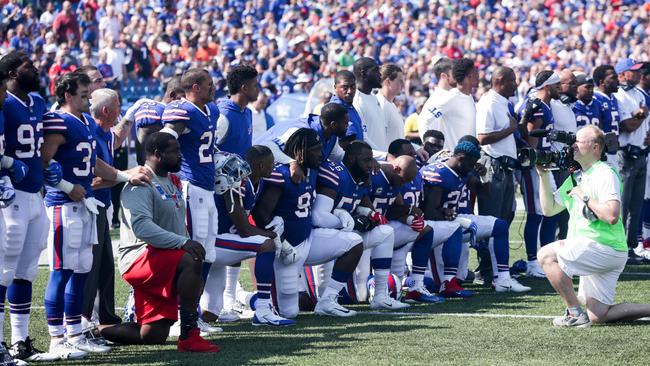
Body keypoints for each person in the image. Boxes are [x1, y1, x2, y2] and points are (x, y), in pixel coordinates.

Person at [41, 72, 148, 358]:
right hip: (63, 204)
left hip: (86, 204)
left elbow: (95, 163)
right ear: (67, 95)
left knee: (81, 272)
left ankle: (75, 334)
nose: (89, 97)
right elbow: (43, 162)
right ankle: (56, 338)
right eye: (84, 93)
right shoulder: (56, 120)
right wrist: (66, 186)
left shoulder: (86, 121)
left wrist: (124, 176)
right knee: (62, 272)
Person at [98, 132, 219, 352]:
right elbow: (142, 228)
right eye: (175, 152)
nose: (180, 156)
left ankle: (96, 331)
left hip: (162, 256)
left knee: (153, 335)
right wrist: (183, 242)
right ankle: (190, 334)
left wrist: (181, 242)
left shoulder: (172, 180)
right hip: (139, 257)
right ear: (157, 154)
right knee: (191, 259)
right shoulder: (139, 182)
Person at [537, 125, 650, 327]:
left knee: (546, 255)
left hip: (602, 246)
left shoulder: (604, 173)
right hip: (605, 249)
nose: (573, 146)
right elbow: (549, 209)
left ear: (596, 147)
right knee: (599, 315)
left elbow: (612, 215)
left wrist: (584, 196)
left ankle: (574, 314)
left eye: (579, 141)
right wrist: (543, 176)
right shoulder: (577, 177)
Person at [252, 128, 364, 318]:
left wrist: (338, 212)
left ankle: (328, 301)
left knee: (354, 242)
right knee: (289, 313)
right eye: (316, 150)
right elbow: (260, 213)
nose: (321, 155)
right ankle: (248, 298)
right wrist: (281, 240)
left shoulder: (313, 171)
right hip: (286, 249)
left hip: (309, 239)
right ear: (300, 152)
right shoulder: (282, 174)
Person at [0, 51, 57, 363]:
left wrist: (51, 168)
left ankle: (20, 342)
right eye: (27, 66)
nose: (34, 70)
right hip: (11, 196)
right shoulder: (5, 103)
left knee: (26, 272)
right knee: (3, 270)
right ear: (11, 72)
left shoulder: (37, 102)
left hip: (36, 193)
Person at [200, 146, 294, 326]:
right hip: (214, 241)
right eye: (271, 164)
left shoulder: (257, 181)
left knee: (210, 314)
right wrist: (274, 235)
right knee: (266, 244)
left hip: (225, 242)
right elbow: (244, 229)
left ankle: (231, 302)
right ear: (260, 166)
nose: (273, 167)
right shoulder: (236, 183)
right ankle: (263, 310)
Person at [422, 141, 531, 292]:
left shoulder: (462, 170)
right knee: (435, 285)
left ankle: (503, 280)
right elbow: (430, 212)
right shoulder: (440, 172)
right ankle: (411, 280)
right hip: (436, 225)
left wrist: (484, 176)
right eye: (472, 163)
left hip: (455, 220)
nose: (473, 167)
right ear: (461, 158)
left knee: (499, 225)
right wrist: (455, 218)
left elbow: (484, 192)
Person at [312, 141, 401, 309]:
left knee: (386, 232)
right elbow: (318, 217)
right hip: (320, 236)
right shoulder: (337, 174)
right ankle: (327, 299)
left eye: (372, 160)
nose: (371, 165)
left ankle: (381, 295)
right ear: (351, 159)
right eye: (367, 161)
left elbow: (358, 205)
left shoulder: (361, 177)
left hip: (343, 233)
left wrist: (368, 216)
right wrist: (351, 221)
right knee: (292, 308)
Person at [385, 139, 470, 298]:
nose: (413, 156)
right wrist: (409, 214)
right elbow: (387, 207)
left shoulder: (416, 172)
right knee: (362, 292)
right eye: (408, 153)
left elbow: (422, 204)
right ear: (395, 157)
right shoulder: (388, 172)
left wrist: (442, 210)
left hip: (409, 225)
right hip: (388, 227)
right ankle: (408, 283)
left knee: (452, 229)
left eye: (412, 152)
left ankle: (447, 281)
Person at [517, 71, 561, 277]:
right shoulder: (536, 105)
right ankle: (533, 262)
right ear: (547, 86)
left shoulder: (544, 104)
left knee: (549, 211)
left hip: (544, 164)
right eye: (557, 85)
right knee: (536, 212)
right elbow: (531, 141)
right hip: (535, 165)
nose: (560, 88)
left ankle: (544, 256)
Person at [254, 102, 350, 182]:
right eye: (345, 123)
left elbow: (340, 158)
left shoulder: (331, 133)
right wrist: (292, 163)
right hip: (256, 169)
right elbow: (268, 147)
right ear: (333, 124)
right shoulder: (301, 131)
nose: (348, 126)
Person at [612, 58, 649, 264]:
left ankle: (630, 246)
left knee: (636, 206)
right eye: (632, 71)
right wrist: (641, 117)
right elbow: (628, 125)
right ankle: (619, 248)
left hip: (642, 152)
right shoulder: (619, 95)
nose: (637, 74)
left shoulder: (639, 93)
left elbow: (643, 119)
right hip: (626, 154)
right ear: (622, 74)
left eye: (638, 72)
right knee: (624, 204)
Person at [417, 58, 478, 150]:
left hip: (467, 157)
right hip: (451, 158)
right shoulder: (446, 97)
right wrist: (431, 150)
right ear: (444, 76)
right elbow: (423, 120)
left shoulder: (467, 96)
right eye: (454, 72)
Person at [129, 77, 185, 165]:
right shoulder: (156, 111)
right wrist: (148, 172)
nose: (186, 103)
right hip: (156, 173)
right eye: (183, 98)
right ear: (172, 95)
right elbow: (144, 149)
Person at [216, 64, 259, 157]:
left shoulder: (248, 111)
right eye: (255, 85)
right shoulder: (223, 116)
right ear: (244, 88)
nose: (258, 90)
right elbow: (210, 153)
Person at [352, 57, 386, 151]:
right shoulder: (356, 101)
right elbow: (363, 138)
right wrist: (384, 157)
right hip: (373, 162)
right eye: (376, 70)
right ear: (363, 73)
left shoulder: (374, 97)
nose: (380, 74)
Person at [592, 65, 621, 167]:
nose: (618, 81)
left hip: (614, 150)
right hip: (603, 152)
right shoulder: (595, 99)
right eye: (613, 78)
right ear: (602, 82)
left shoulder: (614, 98)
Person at [329, 70, 363, 141]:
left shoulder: (348, 105)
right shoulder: (335, 109)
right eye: (345, 87)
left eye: (353, 86)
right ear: (335, 87)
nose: (350, 91)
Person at [377, 63, 405, 144]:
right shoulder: (380, 105)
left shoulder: (391, 105)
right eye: (400, 81)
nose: (402, 84)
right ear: (388, 82)